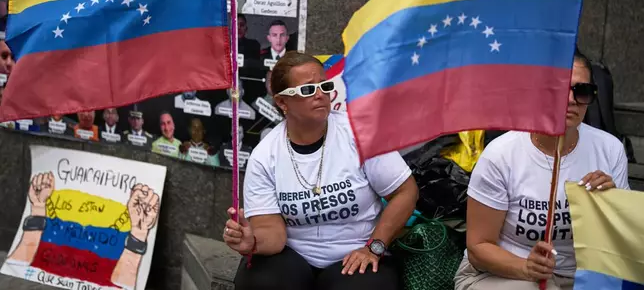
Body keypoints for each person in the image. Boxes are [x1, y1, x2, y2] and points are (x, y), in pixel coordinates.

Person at [223, 51, 418, 290]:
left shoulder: (359, 133)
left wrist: (374, 247)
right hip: (293, 255)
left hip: (357, 249)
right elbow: (271, 232)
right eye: (307, 90)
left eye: (324, 86)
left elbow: (405, 192)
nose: (320, 95)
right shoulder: (265, 156)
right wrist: (252, 241)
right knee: (262, 282)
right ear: (283, 102)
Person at [454, 49, 630, 290]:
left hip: (581, 277)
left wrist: (611, 204)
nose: (570, 100)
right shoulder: (501, 155)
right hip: (503, 274)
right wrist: (526, 267)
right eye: (559, 89)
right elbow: (478, 248)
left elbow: (620, 242)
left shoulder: (609, 150)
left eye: (582, 91)